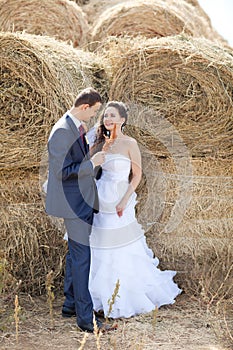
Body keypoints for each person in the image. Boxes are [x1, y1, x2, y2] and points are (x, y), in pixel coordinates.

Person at [88, 101, 182, 319]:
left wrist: (124, 200)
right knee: (99, 245)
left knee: (120, 247)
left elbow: (136, 175)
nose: (108, 119)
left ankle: (121, 297)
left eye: (112, 116)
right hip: (101, 196)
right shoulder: (102, 143)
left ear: (122, 119)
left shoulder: (130, 143)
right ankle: (98, 298)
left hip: (120, 197)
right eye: (105, 116)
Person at [45, 87, 107, 332]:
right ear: (84, 107)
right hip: (73, 205)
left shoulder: (72, 127)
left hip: (79, 202)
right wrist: (91, 163)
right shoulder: (62, 131)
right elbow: (62, 172)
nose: (93, 117)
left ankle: (70, 305)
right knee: (82, 260)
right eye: (94, 112)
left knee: (74, 256)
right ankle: (86, 320)